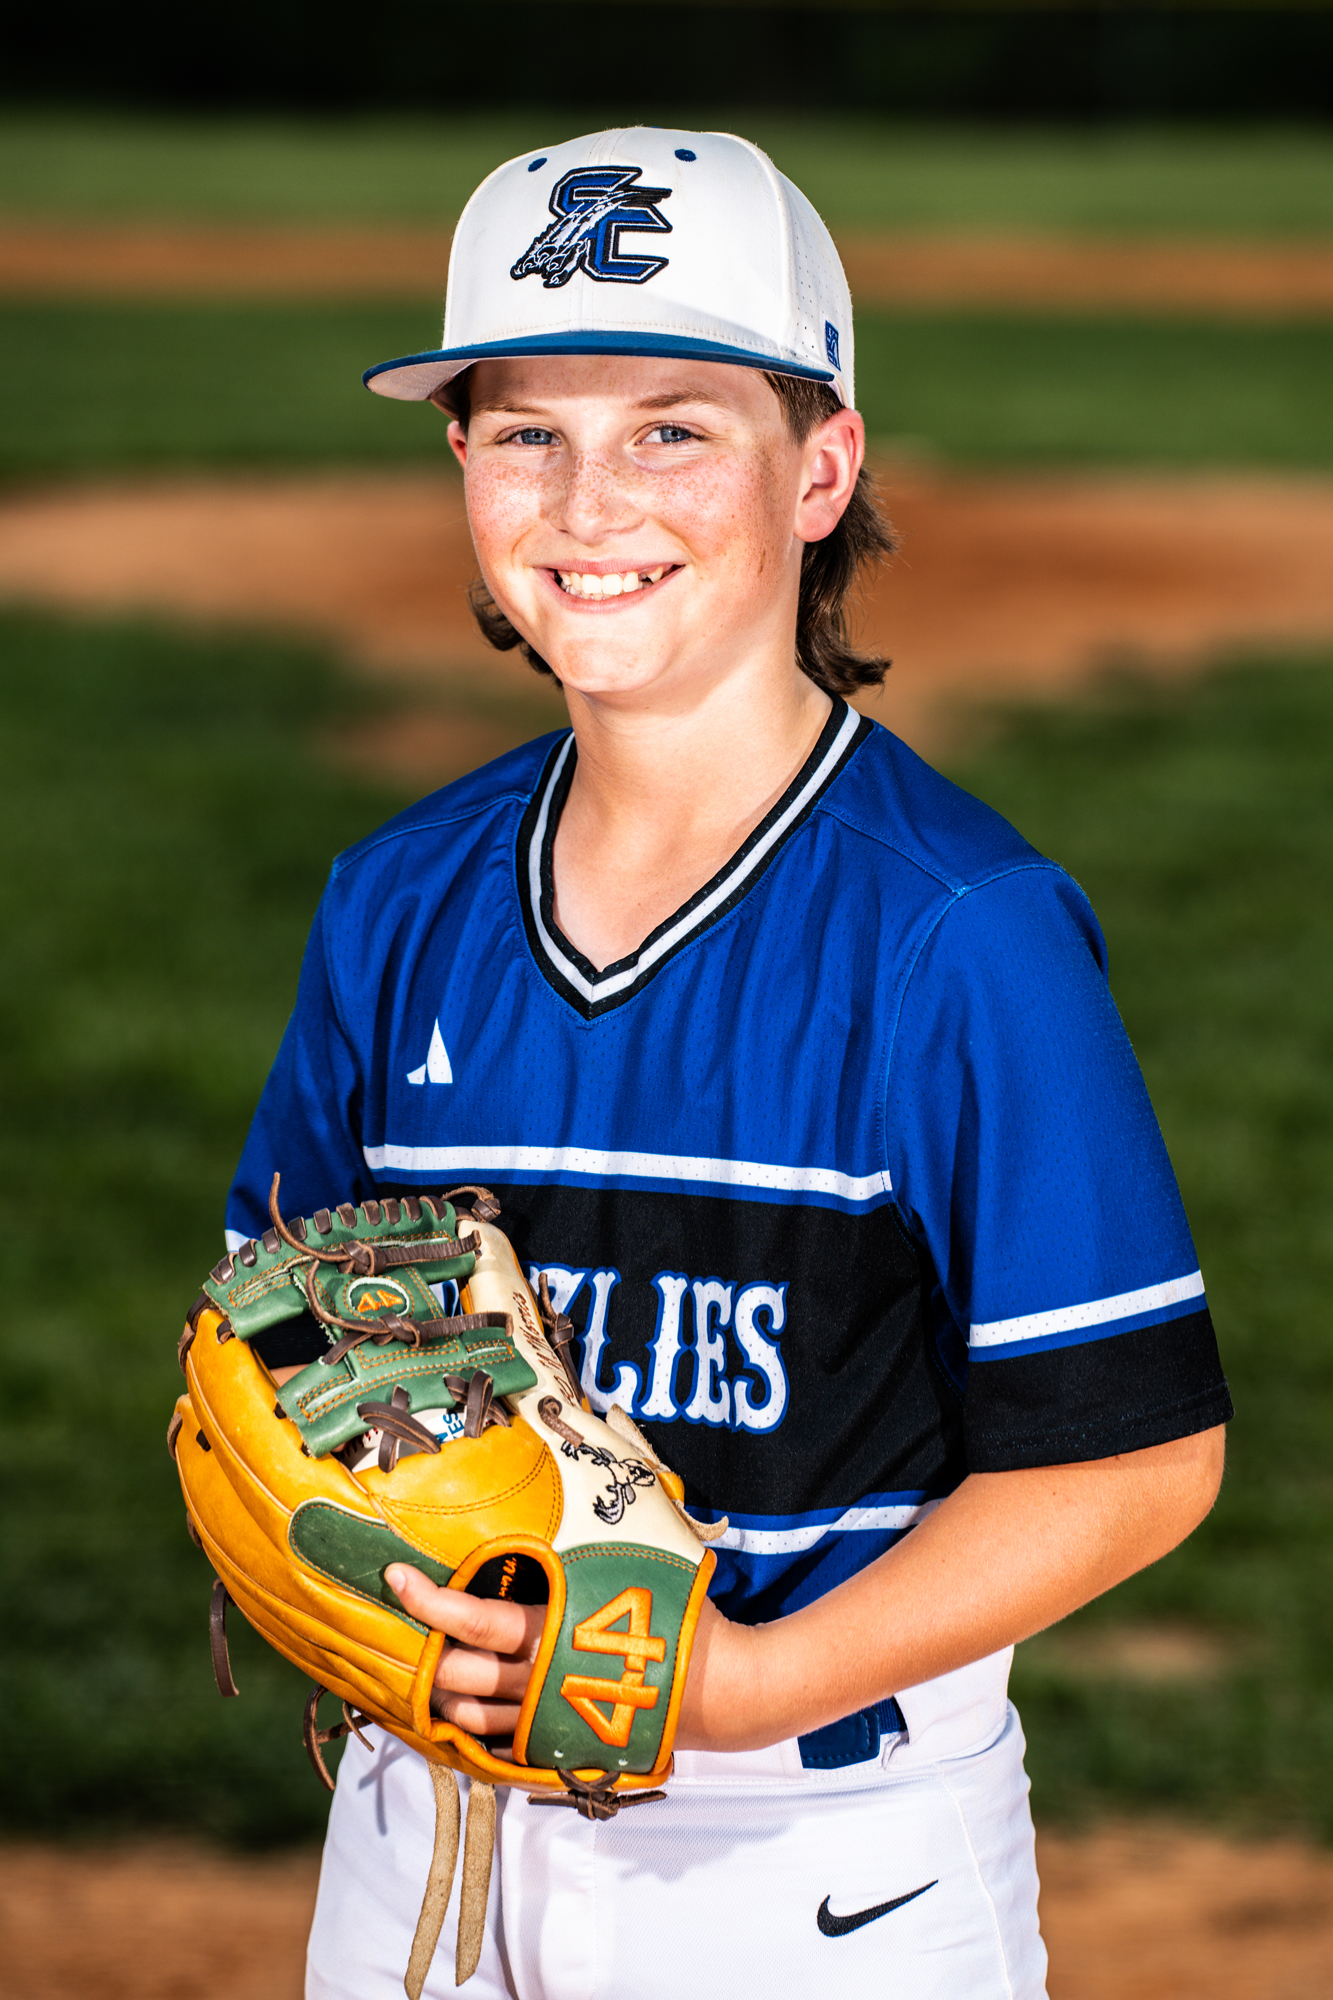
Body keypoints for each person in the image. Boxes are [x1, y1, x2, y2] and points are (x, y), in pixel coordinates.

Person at [227, 129, 1231, 2000]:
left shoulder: (958, 932)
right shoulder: (396, 900)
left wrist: (743, 1682)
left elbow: (1134, 1460)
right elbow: (281, 1322)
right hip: (419, 1825)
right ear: (460, 467)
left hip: (809, 1853)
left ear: (820, 469)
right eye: (524, 433)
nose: (587, 499)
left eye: (673, 429)